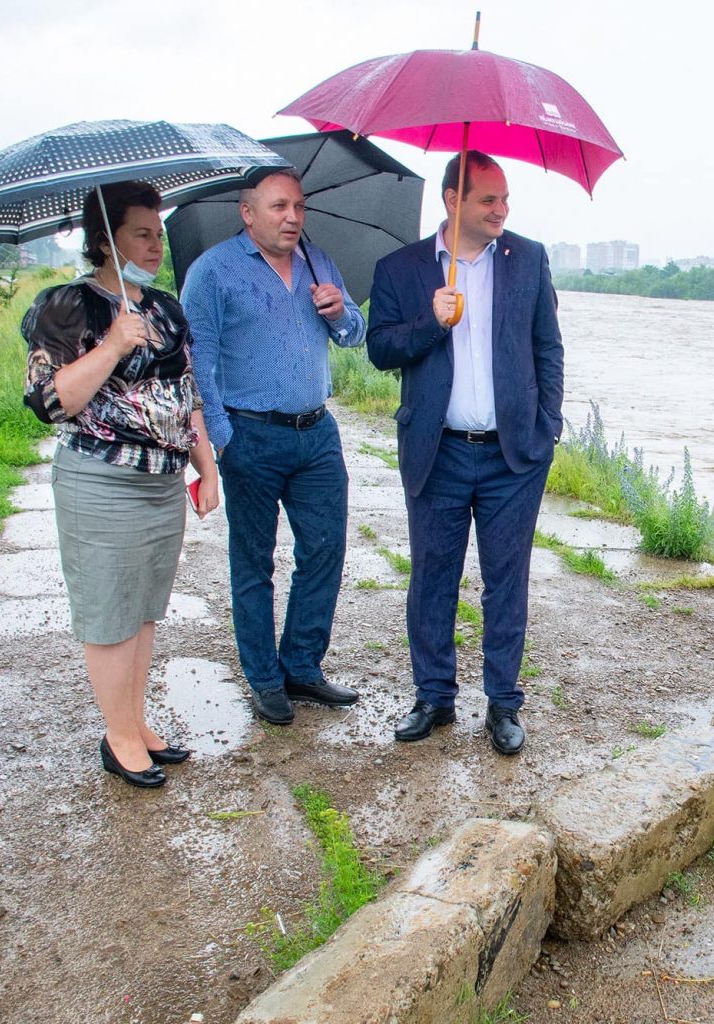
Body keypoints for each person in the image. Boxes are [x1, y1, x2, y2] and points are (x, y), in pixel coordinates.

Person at [22, 180, 221, 788]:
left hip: (162, 482)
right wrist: (111, 344)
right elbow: (50, 400)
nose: (155, 242)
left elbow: (186, 395)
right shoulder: (67, 306)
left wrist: (205, 466)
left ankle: (134, 723)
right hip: (101, 481)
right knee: (108, 609)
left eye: (158, 232)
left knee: (141, 611)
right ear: (104, 240)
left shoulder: (164, 308)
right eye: (141, 231)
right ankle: (119, 737)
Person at [367, 151, 564, 756]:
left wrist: (545, 429)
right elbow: (379, 350)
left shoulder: (527, 259)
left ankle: (503, 703)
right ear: (453, 201)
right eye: (489, 199)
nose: (502, 209)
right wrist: (431, 323)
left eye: (505, 199)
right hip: (438, 452)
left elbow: (548, 348)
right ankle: (434, 696)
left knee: (507, 580)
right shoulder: (400, 269)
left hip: (513, 458)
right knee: (432, 578)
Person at [181, 170, 366, 725]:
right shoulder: (213, 271)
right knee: (253, 562)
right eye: (280, 206)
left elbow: (355, 334)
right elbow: (197, 362)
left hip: (317, 434)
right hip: (250, 434)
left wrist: (340, 313)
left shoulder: (318, 261)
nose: (293, 217)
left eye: (299, 207)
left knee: (325, 551)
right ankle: (264, 678)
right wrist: (222, 437)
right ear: (248, 212)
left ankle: (303, 666)